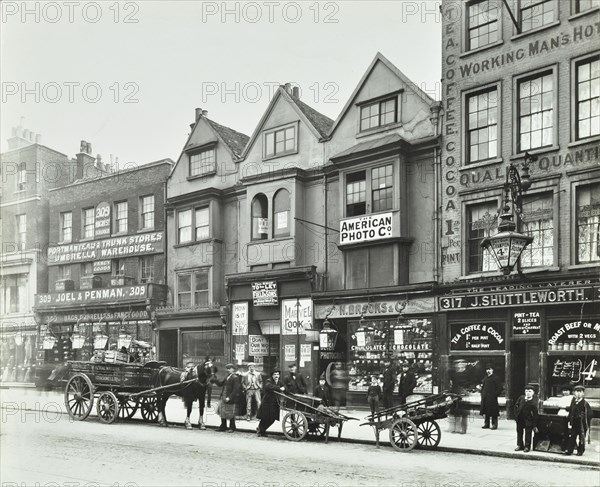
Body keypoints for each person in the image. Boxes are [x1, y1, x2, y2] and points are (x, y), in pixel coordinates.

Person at [564, 385, 592, 456]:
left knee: (581, 437)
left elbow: (590, 414)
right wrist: (569, 419)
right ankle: (569, 450)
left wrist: (583, 416)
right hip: (574, 422)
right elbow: (571, 411)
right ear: (574, 393)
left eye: (580, 392)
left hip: (582, 424)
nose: (578, 393)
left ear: (583, 394)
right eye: (577, 391)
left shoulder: (585, 403)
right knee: (572, 436)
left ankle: (580, 451)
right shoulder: (573, 402)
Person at [213, 363, 242, 432]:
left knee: (230, 412)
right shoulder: (227, 376)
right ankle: (223, 426)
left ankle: (232, 427)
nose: (228, 370)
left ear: (233, 369)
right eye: (227, 368)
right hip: (224, 396)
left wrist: (230, 397)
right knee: (223, 412)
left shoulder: (235, 377)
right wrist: (214, 380)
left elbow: (236, 389)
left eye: (229, 368)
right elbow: (221, 384)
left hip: (229, 397)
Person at [257, 369, 285, 437]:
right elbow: (269, 386)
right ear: (272, 375)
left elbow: (284, 387)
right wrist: (279, 388)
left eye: (277, 374)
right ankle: (261, 430)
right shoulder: (268, 381)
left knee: (272, 419)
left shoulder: (280, 382)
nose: (276, 376)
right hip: (267, 402)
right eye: (275, 374)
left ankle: (261, 429)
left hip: (275, 403)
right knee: (265, 418)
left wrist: (284, 388)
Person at [514, 384, 538, 452]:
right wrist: (516, 415)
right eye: (526, 391)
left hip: (528, 419)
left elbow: (535, 413)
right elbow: (516, 406)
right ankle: (520, 445)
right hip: (520, 418)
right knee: (519, 432)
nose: (527, 393)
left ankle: (527, 446)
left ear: (533, 393)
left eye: (530, 391)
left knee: (528, 433)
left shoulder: (533, 402)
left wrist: (534, 424)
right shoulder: (521, 398)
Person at [449, 359, 469, 434]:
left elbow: (467, 385)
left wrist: (464, 392)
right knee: (455, 413)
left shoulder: (467, 374)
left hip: (462, 396)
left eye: (460, 364)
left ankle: (463, 429)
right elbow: (453, 384)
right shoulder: (455, 374)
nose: (458, 366)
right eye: (458, 364)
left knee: (463, 414)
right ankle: (455, 428)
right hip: (455, 395)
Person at [479, 364, 502, 430]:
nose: (488, 371)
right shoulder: (486, 378)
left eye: (490, 369)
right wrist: (482, 393)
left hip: (492, 398)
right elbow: (484, 387)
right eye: (487, 369)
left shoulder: (496, 378)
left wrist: (495, 395)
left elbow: (499, 388)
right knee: (486, 411)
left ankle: (494, 424)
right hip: (485, 397)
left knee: (493, 411)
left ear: (492, 370)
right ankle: (487, 424)